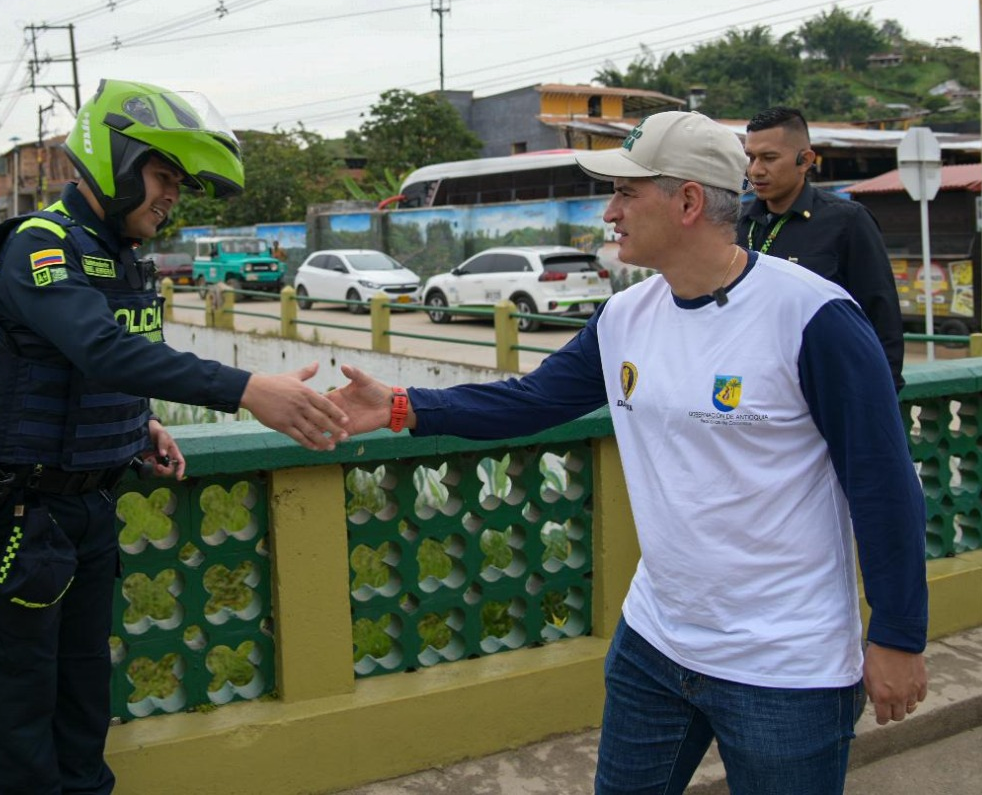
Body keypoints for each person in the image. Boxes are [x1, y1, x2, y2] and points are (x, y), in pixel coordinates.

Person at [324, 111, 929, 795]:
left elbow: (882, 482)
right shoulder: (625, 317)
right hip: (655, 644)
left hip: (781, 664)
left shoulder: (811, 316)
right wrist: (404, 406)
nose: (608, 212)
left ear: (689, 202)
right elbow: (533, 400)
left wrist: (898, 634)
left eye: (626, 194)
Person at [0, 79, 348, 795]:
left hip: (88, 514)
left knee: (84, 703)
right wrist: (249, 390)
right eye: (163, 177)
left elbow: (92, 367)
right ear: (117, 163)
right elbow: (100, 347)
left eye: (178, 185)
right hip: (13, 519)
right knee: (21, 720)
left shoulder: (125, 257)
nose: (171, 197)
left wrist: (138, 422)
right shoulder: (39, 248)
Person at [737, 106, 905, 391]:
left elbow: (881, 314)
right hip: (754, 392)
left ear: (805, 160)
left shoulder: (847, 221)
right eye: (751, 158)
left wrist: (881, 395)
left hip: (826, 388)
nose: (756, 170)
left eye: (769, 158)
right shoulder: (738, 224)